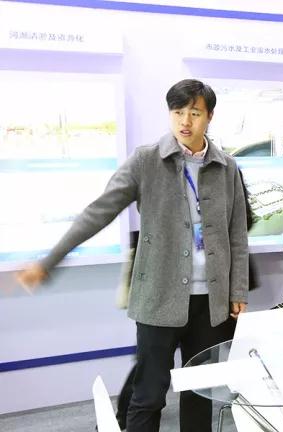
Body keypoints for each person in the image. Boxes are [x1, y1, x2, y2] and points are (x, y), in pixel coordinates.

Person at [15, 79, 249, 432]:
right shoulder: (147, 160)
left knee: (199, 393)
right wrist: (49, 261)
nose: (185, 121)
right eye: (177, 112)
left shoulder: (226, 166)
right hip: (159, 297)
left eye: (195, 113)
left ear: (209, 116)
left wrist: (238, 290)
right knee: (149, 394)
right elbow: (99, 211)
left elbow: (237, 232)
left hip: (210, 301)